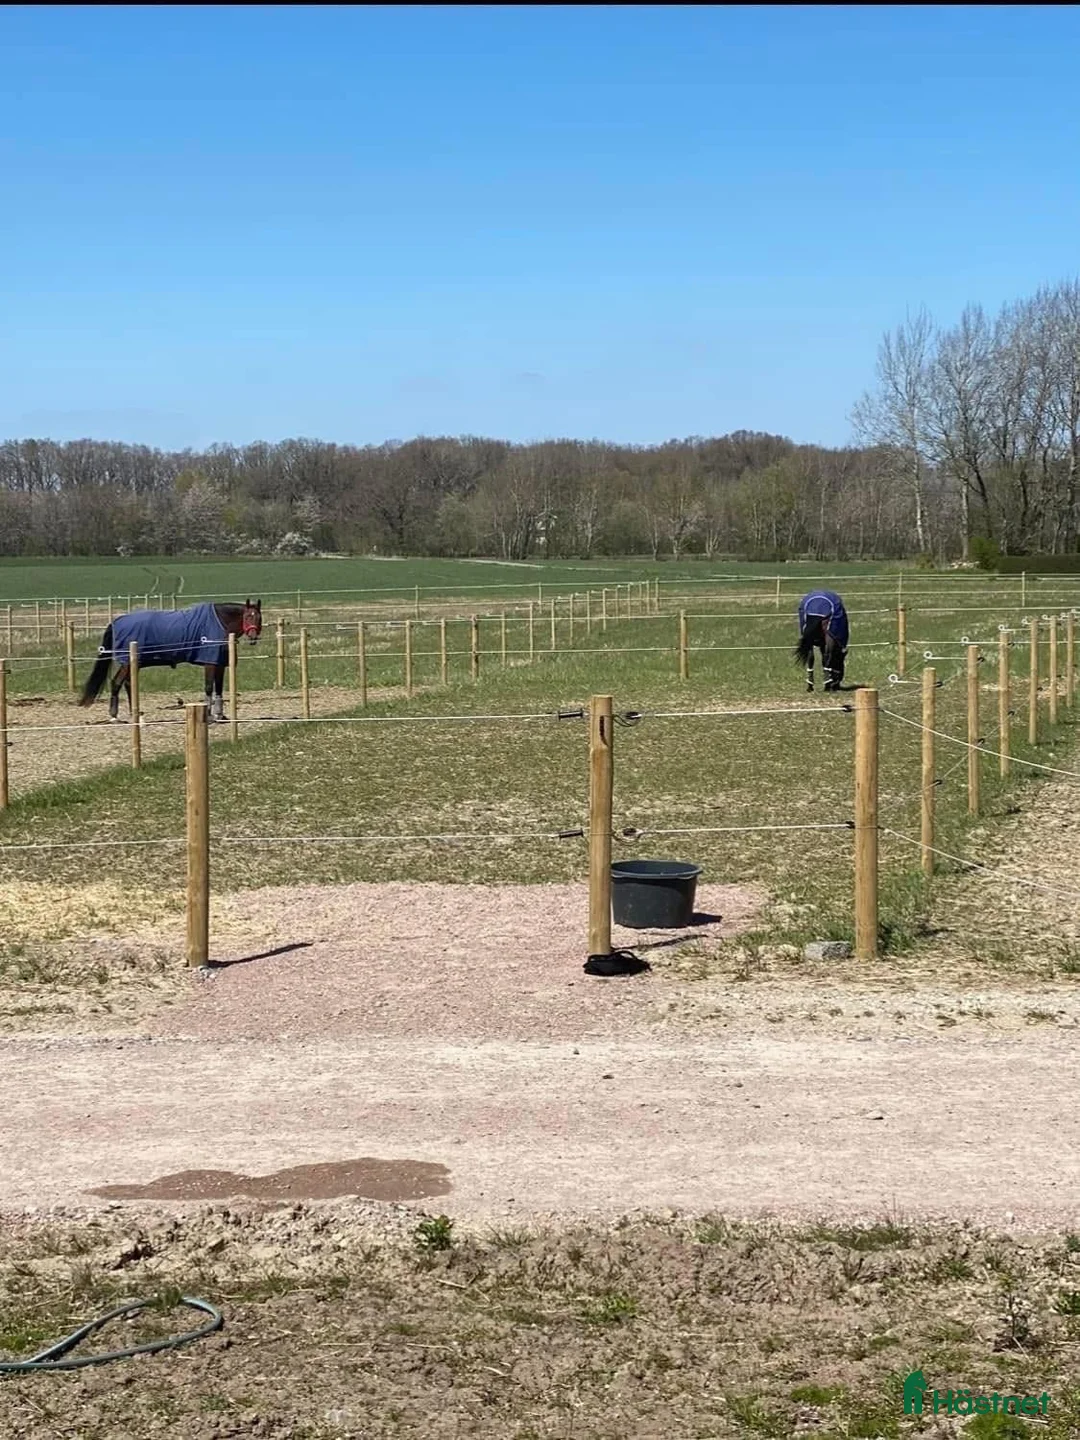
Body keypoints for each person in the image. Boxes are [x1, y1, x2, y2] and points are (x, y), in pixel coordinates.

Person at [795, 588, 849, 692]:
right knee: (835, 647)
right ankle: (830, 680)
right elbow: (839, 634)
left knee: (808, 642)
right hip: (831, 609)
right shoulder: (835, 605)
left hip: (809, 606)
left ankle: (810, 680)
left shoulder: (808, 602)